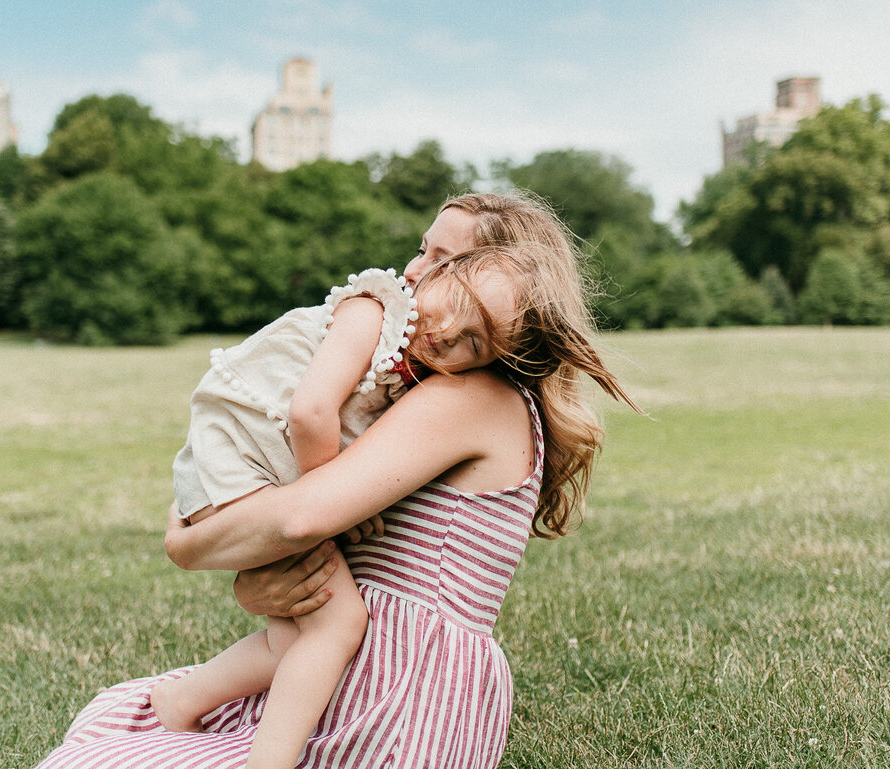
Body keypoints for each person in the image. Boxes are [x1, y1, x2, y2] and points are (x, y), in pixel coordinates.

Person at [33, 193, 642, 769]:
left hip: (399, 687)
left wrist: (187, 545)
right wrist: (258, 585)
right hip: (348, 665)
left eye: (443, 262)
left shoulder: (472, 395)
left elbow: (300, 517)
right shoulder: (419, 382)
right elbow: (328, 532)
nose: (412, 272)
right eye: (422, 249)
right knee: (133, 724)